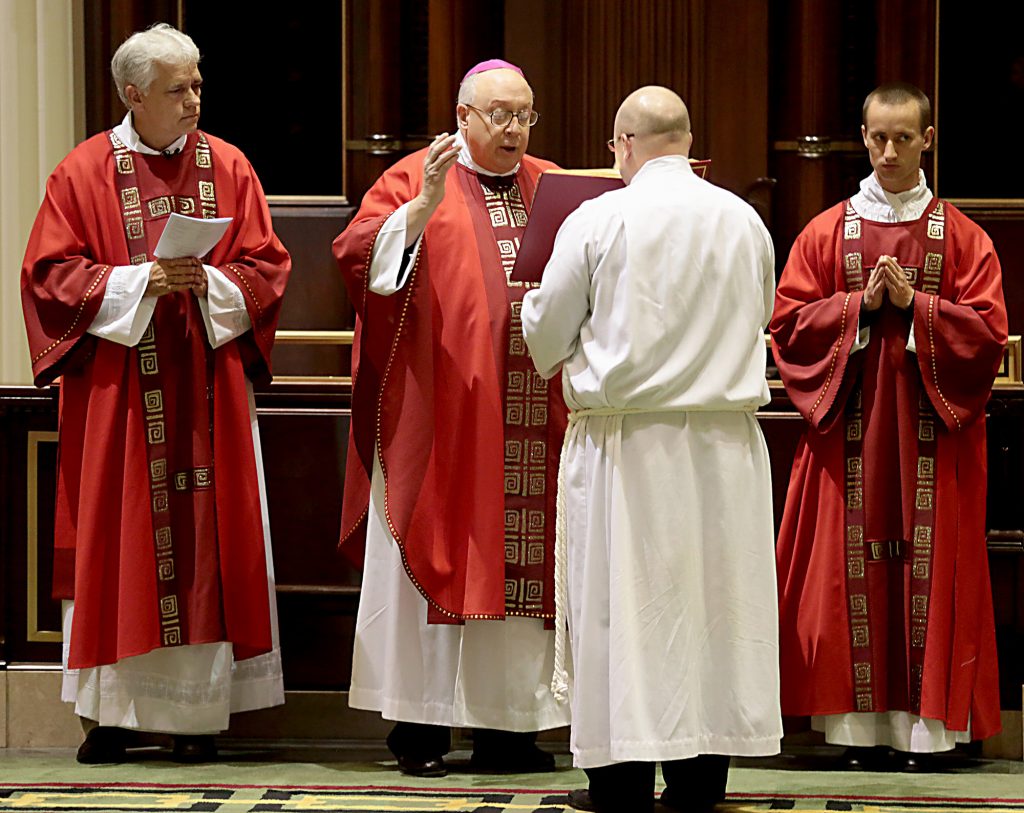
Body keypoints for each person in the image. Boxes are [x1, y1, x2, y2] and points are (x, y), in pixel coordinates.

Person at [20, 23, 290, 764]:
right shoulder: (82, 173)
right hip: (121, 398)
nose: (194, 99)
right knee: (119, 537)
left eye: (199, 83)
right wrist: (140, 281)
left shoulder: (229, 166)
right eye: (178, 89)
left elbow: (267, 267)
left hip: (206, 390)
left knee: (204, 540)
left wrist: (214, 281)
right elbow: (48, 277)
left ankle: (196, 719)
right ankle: (112, 715)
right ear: (133, 94)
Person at [521, 86, 782, 813]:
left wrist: (539, 306)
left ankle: (621, 781)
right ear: (688, 144)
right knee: (713, 612)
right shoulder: (744, 220)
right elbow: (761, 313)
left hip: (627, 444)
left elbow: (545, 336)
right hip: (725, 444)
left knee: (620, 611)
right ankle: (700, 781)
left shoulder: (598, 217)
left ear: (622, 145)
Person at [331, 59, 569, 777]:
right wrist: (420, 209)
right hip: (438, 418)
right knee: (435, 556)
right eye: (498, 113)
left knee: (520, 562)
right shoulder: (415, 174)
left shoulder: (553, 185)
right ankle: (421, 727)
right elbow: (354, 254)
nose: (513, 128)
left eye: (524, 114)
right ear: (463, 115)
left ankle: (510, 730)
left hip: (529, 415)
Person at [771, 82, 1006, 768]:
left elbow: (988, 336)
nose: (890, 151)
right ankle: (856, 730)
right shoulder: (825, 231)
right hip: (850, 432)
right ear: (864, 135)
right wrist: (856, 307)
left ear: (928, 139)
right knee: (848, 581)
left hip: (934, 439)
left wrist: (919, 307)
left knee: (932, 573)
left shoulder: (963, 235)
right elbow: (787, 326)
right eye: (878, 136)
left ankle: (932, 730)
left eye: (904, 137)